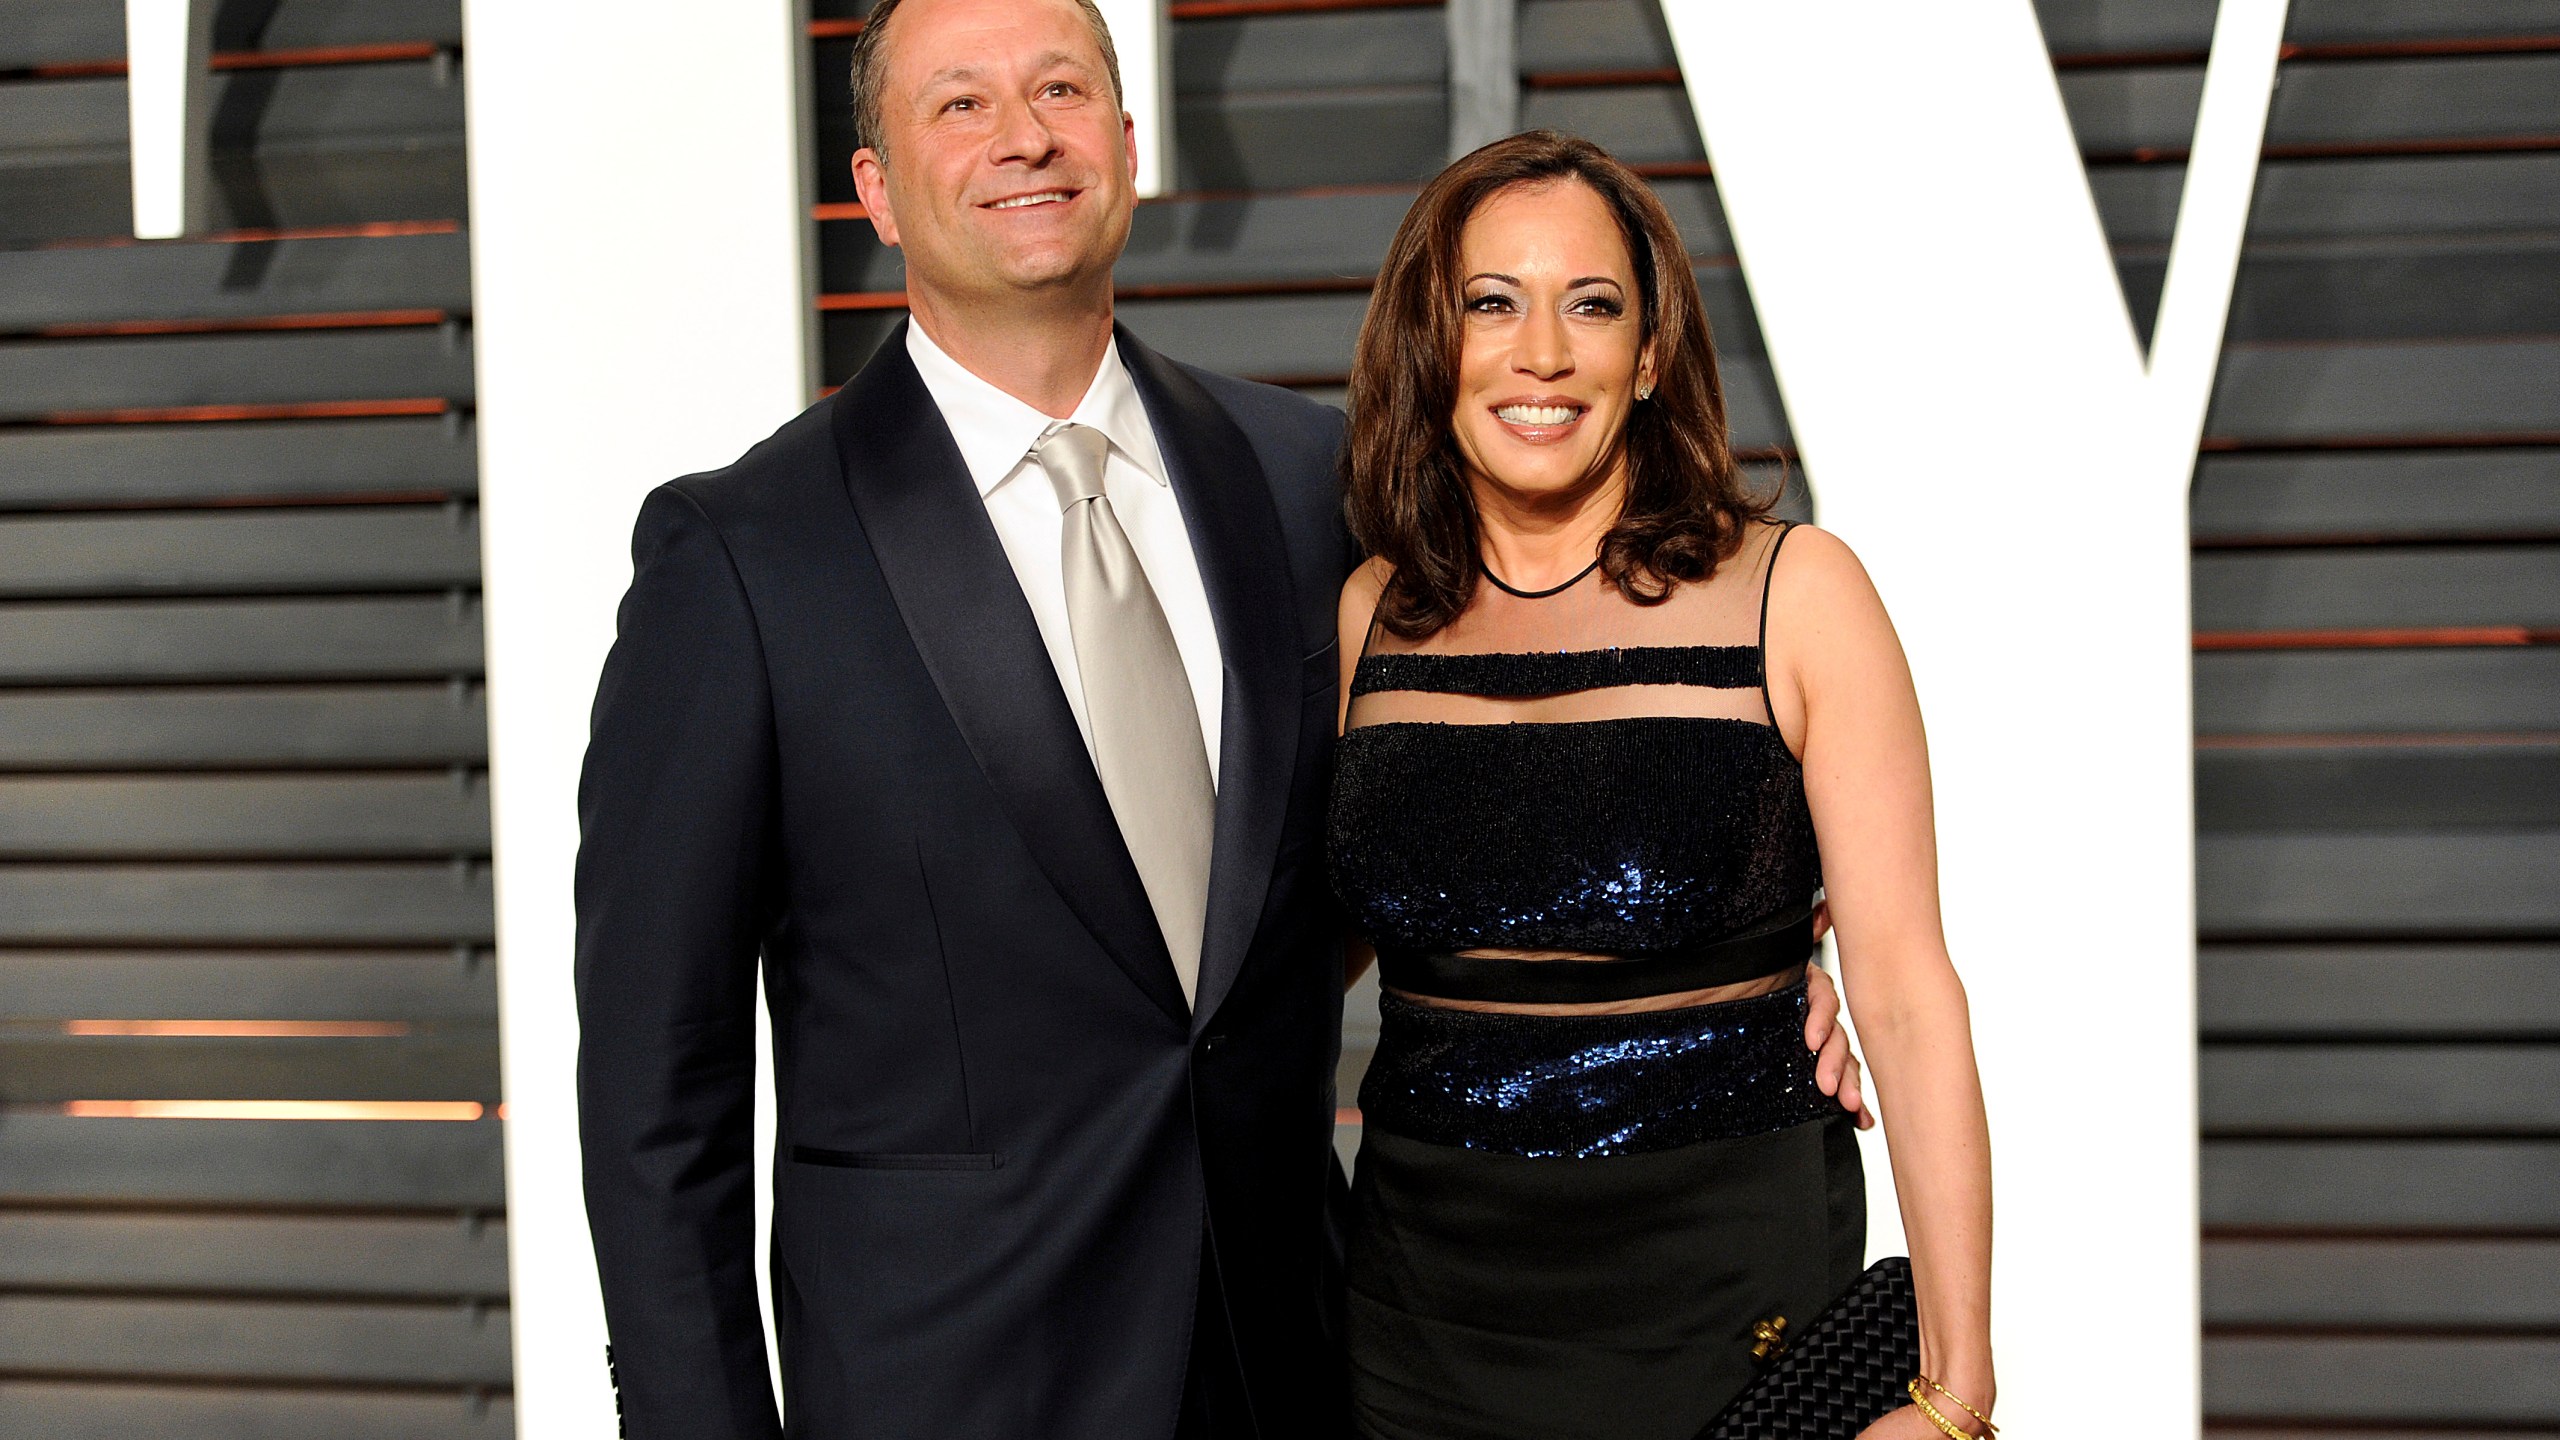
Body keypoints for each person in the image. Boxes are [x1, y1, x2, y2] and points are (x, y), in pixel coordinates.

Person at [574, 0, 1869, 1432]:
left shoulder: (1307, 483)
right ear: (873, 188)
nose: (1023, 136)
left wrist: (1729, 959)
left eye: (1061, 88)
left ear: (1126, 146)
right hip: (946, 1387)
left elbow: (1464, 791)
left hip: (1305, 1363)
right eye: (960, 104)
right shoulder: (744, 558)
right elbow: (659, 1093)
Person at [1328, 130, 1996, 1440]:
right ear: (1433, 343)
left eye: (1591, 305)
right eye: (1491, 304)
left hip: (1728, 1285)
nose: (1541, 356)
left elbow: (1909, 995)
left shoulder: (1796, 596)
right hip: (1420, 1311)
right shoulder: (1368, 619)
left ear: (1649, 354)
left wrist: (1959, 1386)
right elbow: (1297, 961)